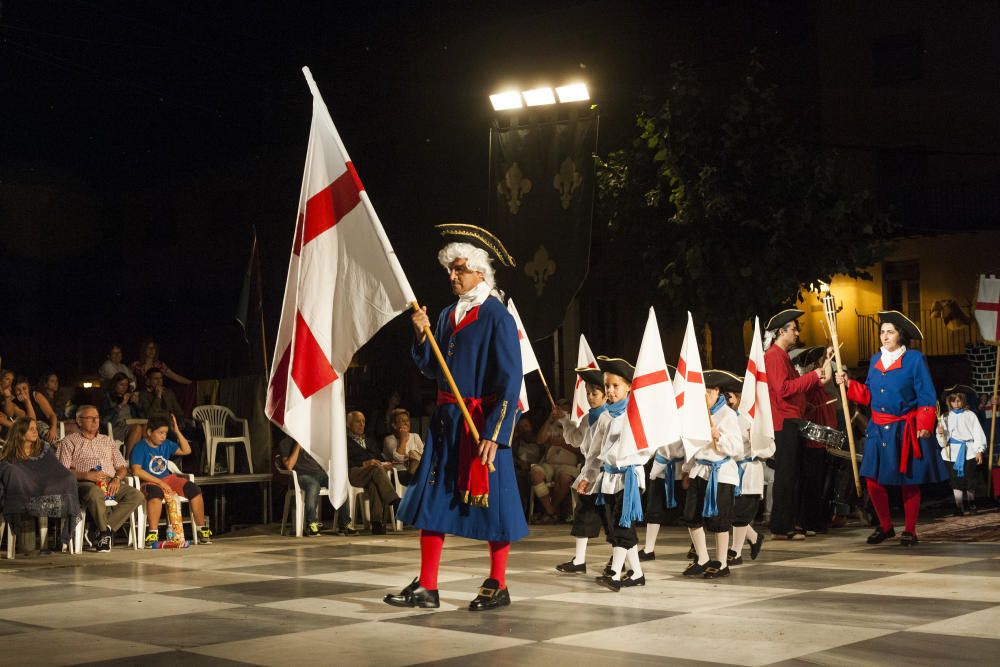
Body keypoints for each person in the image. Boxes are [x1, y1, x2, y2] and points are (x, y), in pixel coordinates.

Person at [385, 228, 525, 611]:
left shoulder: (497, 316)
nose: (452, 275)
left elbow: (511, 380)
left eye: (459, 268)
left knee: (496, 506)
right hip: (447, 421)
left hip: (481, 424)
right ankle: (427, 586)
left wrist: (495, 434)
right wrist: (421, 335)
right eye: (450, 269)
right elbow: (433, 369)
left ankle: (498, 582)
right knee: (432, 500)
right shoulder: (447, 314)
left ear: (480, 272)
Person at [835, 311, 949, 546]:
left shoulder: (915, 359)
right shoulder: (876, 360)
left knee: (909, 480)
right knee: (873, 480)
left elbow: (926, 394)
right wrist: (848, 383)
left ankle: (910, 530)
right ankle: (886, 527)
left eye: (890, 332)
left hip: (903, 428)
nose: (884, 336)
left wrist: (925, 423)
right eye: (882, 332)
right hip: (878, 428)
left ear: (901, 336)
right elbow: (868, 394)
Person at [763, 309, 832, 539]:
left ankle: (791, 522)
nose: (797, 332)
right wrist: (812, 377)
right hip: (784, 421)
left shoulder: (782, 356)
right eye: (793, 328)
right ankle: (782, 526)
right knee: (786, 474)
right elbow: (783, 389)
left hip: (793, 418)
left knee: (794, 474)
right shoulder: (774, 356)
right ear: (781, 331)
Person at [680, 371, 744, 579]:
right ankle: (702, 558)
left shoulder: (728, 415)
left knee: (719, 519)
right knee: (691, 516)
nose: (704, 397)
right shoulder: (697, 414)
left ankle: (722, 561)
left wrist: (719, 436)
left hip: (721, 473)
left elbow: (737, 449)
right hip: (700, 470)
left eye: (707, 392)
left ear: (717, 391)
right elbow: (692, 444)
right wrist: (687, 470)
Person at [592, 356, 648, 592]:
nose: (611, 391)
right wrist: (587, 475)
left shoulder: (636, 415)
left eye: (616, 386)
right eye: (607, 386)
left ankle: (615, 573)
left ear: (629, 387)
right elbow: (595, 450)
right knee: (616, 525)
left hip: (629, 478)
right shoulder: (605, 416)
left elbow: (647, 448)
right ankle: (636, 572)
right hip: (609, 479)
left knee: (622, 525)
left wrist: (628, 456)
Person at [56, 405, 144, 551]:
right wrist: (87, 475)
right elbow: (62, 471)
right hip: (85, 483)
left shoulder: (107, 440)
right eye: (90, 418)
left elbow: (122, 467)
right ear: (79, 421)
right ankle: (104, 533)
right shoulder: (69, 441)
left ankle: (105, 531)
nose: (95, 421)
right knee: (94, 493)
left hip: (109, 481)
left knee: (137, 495)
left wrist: (116, 479)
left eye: (97, 418)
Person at [553, 368, 612, 574]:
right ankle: (579, 560)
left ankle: (619, 560)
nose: (589, 397)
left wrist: (592, 475)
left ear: (605, 395)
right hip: (589, 474)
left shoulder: (610, 417)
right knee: (583, 515)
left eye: (594, 393)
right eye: (587, 393)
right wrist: (564, 420)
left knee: (611, 519)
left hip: (606, 476)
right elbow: (576, 439)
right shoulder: (588, 418)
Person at [0, 417, 80, 552]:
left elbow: (56, 469)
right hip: (24, 497)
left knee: (68, 478)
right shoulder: (9, 456)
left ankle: (62, 541)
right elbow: (7, 472)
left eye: (36, 429)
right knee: (28, 548)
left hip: (45, 491)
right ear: (20, 432)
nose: (35, 432)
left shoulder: (44, 448)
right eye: (31, 429)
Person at [130, 414, 212, 545]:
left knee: (194, 489)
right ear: (150, 432)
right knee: (155, 494)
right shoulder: (140, 447)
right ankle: (152, 533)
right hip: (149, 482)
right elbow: (137, 471)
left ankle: (201, 528)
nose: (163, 436)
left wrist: (177, 432)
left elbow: (187, 450)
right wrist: (160, 483)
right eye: (160, 433)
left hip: (169, 479)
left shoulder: (167, 444)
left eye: (166, 433)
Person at [724, 369, 773, 565]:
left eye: (730, 396)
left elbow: (770, 449)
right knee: (732, 512)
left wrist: (756, 441)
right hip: (733, 471)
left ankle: (735, 552)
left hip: (749, 471)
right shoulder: (728, 417)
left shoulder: (755, 420)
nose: (728, 400)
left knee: (741, 513)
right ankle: (753, 538)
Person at [640, 364, 684, 561]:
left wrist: (690, 468)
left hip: (683, 467)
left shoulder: (685, 409)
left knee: (693, 510)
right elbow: (650, 441)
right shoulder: (656, 411)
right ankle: (649, 549)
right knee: (654, 508)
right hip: (661, 465)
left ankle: (697, 547)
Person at [794, 345, 836, 535]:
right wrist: (826, 357)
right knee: (811, 483)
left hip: (822, 440)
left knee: (820, 483)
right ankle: (806, 521)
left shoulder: (812, 383)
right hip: (812, 440)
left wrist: (828, 357)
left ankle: (817, 519)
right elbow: (825, 376)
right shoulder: (808, 382)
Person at [278, 436, 357, 536]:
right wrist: (298, 445)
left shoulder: (312, 438)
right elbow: (289, 466)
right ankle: (311, 524)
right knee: (313, 485)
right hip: (301, 475)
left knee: (339, 483)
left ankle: (344, 523)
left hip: (318, 473)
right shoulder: (285, 442)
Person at [346, 410, 400, 535]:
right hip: (353, 472)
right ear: (348, 424)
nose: (361, 424)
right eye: (357, 422)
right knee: (375, 469)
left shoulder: (370, 440)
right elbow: (342, 460)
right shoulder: (343, 441)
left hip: (371, 473)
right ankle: (395, 501)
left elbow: (378, 457)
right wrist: (364, 463)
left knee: (374, 483)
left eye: (363, 422)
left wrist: (385, 463)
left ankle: (376, 523)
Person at [937, 385, 986, 516]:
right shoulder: (944, 417)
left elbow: (977, 433)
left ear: (963, 401)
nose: (956, 403)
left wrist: (979, 450)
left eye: (959, 400)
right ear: (949, 402)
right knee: (955, 481)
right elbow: (942, 442)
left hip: (969, 451)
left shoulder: (970, 415)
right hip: (951, 453)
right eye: (953, 401)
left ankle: (971, 502)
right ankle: (959, 506)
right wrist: (942, 433)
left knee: (970, 479)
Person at [529, 405, 582, 523]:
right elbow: (539, 441)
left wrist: (562, 444)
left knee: (564, 478)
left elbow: (581, 450)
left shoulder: (576, 427)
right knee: (535, 473)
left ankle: (552, 511)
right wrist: (549, 420)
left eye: (563, 409)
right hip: (549, 465)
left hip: (568, 466)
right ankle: (551, 511)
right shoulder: (552, 427)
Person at [100, 372, 144, 455]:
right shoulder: (108, 397)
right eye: (121, 384)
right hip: (115, 427)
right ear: (115, 385)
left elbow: (141, 417)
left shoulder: (130, 398)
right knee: (137, 428)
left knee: (147, 429)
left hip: (130, 425)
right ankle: (128, 459)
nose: (124, 387)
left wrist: (137, 405)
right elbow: (104, 418)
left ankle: (144, 459)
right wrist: (121, 405)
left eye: (126, 385)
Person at [5, 376, 59, 443]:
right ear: (14, 392)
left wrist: (53, 428)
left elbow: (51, 414)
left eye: (24, 388)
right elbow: (32, 422)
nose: (22, 392)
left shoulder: (35, 395)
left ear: (28, 388)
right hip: (36, 432)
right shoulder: (15, 404)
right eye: (18, 390)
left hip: (50, 425)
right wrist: (27, 401)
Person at [382, 408, 424, 486]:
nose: (406, 423)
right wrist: (403, 439)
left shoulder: (415, 436)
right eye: (402, 421)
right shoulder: (389, 439)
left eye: (407, 420)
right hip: (399, 473)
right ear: (394, 425)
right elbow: (399, 458)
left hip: (417, 471)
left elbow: (423, 456)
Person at [511, 416, 543, 516]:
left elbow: (545, 458)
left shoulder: (540, 441)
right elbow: (512, 456)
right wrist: (519, 462)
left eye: (526, 426)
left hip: (538, 469)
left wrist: (530, 465)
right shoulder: (517, 442)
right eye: (521, 427)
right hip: (521, 470)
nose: (524, 429)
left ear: (531, 426)